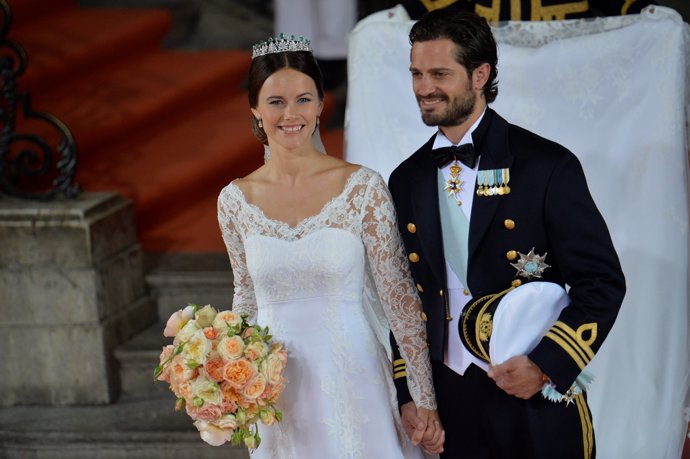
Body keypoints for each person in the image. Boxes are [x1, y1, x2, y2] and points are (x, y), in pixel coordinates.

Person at [387, 9, 626, 458]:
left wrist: (546, 365)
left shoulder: (545, 166)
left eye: (439, 73)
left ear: (481, 74)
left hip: (533, 394)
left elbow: (602, 283)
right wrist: (409, 392)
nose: (423, 87)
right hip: (450, 397)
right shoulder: (406, 179)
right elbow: (403, 300)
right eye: (416, 73)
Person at [217, 34, 444, 458]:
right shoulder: (234, 200)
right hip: (275, 389)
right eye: (276, 101)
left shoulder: (362, 187)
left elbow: (400, 300)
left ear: (322, 104)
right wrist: (230, 383)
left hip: (355, 377)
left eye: (303, 99)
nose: (291, 114)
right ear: (254, 109)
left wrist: (423, 397)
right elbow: (246, 296)